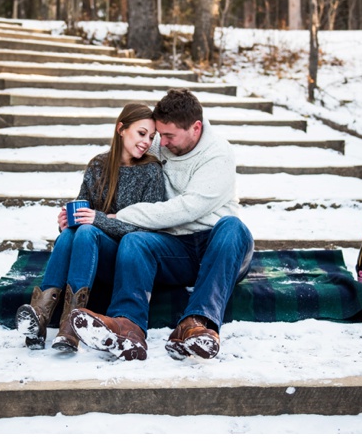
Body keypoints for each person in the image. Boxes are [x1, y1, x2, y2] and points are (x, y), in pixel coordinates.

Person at [69, 88, 254, 361]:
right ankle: (128, 326)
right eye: (159, 135)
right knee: (135, 241)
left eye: (168, 136)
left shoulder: (218, 154)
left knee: (233, 227)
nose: (161, 143)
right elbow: (129, 152)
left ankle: (195, 325)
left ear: (196, 128)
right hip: (174, 248)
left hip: (217, 247)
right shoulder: (161, 142)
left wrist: (122, 217)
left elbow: (187, 208)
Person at [15, 103, 166, 352]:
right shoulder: (98, 165)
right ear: (121, 129)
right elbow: (83, 209)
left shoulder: (151, 171)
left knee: (87, 231)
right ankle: (40, 316)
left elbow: (147, 233)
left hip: (124, 258)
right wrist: (66, 221)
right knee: (71, 233)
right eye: (141, 133)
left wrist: (98, 220)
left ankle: (70, 326)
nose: (147, 142)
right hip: (89, 250)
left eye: (151, 137)